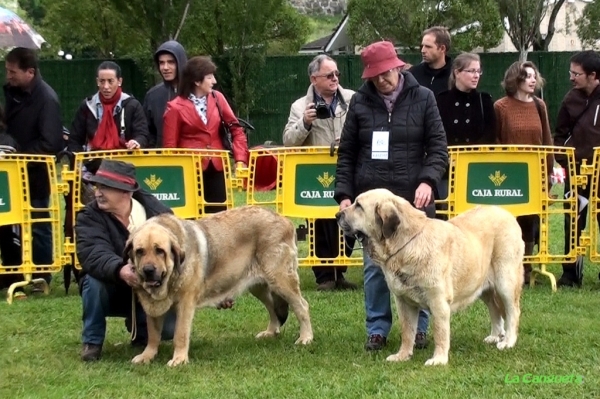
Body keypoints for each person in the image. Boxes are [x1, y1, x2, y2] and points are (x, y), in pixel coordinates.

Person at [334, 41, 448, 351]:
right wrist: (345, 195)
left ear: (397, 67)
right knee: (375, 267)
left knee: (422, 267)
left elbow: (438, 148)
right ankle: (377, 328)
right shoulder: (359, 103)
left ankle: (420, 328)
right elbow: (347, 154)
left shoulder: (424, 97)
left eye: (386, 73)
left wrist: (428, 181)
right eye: (375, 75)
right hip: (371, 203)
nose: (381, 80)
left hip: (414, 200)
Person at [75, 160, 177, 361]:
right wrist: (120, 269)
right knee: (92, 283)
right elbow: (93, 253)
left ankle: (140, 327)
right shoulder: (88, 216)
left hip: (152, 287)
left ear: (126, 192)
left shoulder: (159, 214)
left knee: (168, 331)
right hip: (112, 287)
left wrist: (216, 289)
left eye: (105, 187)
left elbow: (182, 251)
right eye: (97, 186)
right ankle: (92, 342)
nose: (97, 193)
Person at [282, 54, 357, 291]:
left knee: (349, 218)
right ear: (314, 79)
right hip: (314, 176)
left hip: (346, 168)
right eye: (329, 75)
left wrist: (347, 139)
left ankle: (341, 271)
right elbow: (288, 142)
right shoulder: (299, 106)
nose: (335, 78)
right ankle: (324, 276)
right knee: (319, 223)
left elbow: (364, 128)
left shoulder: (352, 99)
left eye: (337, 74)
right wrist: (305, 122)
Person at [3, 47, 64, 293]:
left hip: (35, 173)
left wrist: (17, 153)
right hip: (12, 174)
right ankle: (12, 271)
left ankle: (42, 275)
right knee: (9, 222)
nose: (8, 76)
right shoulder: (14, 93)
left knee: (39, 223)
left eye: (12, 71)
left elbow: (51, 143)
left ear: (30, 72)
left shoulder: (47, 99)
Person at [163, 56, 249, 213]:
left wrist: (240, 159)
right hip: (190, 171)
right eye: (209, 77)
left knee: (221, 218)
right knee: (192, 217)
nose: (214, 81)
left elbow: (236, 129)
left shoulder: (218, 98)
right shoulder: (174, 108)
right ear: (197, 81)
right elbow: (170, 148)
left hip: (217, 166)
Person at [494, 60, 553, 285]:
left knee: (530, 222)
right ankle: (507, 268)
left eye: (534, 76)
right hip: (509, 175)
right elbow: (497, 141)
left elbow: (546, 140)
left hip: (535, 174)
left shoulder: (540, 105)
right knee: (509, 222)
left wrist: (548, 173)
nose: (532, 80)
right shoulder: (501, 106)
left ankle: (526, 270)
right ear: (515, 79)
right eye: (527, 76)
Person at [554, 50, 600, 288]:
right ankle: (570, 274)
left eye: (576, 73)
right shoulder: (570, 99)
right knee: (573, 220)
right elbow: (559, 134)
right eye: (570, 72)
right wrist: (565, 163)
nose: (572, 77)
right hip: (577, 171)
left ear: (593, 75)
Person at [435, 53, 496, 201]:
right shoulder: (441, 100)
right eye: (471, 71)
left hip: (476, 169)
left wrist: (470, 156)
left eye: (478, 71)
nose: (476, 76)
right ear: (457, 72)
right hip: (447, 170)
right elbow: (436, 133)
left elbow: (490, 133)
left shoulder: (485, 101)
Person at [68, 61, 150, 152]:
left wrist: (136, 142)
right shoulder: (88, 106)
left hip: (126, 162)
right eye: (102, 81)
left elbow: (143, 134)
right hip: (92, 161)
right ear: (97, 81)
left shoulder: (132, 105)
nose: (106, 86)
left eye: (110, 81)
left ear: (119, 81)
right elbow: (75, 139)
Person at [143, 40, 188, 148]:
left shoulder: (197, 92)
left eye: (171, 62)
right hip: (163, 159)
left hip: (193, 159)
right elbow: (147, 132)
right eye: (161, 63)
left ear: (180, 62)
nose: (165, 67)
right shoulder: (153, 95)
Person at [409, 26, 452, 96]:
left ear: (442, 48)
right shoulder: (413, 74)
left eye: (428, 47)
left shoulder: (456, 75)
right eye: (422, 46)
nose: (423, 50)